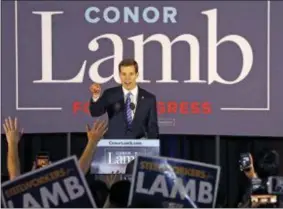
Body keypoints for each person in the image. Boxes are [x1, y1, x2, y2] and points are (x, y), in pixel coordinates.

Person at [89, 58, 159, 139]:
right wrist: (96, 95)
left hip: (139, 147)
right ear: (119, 75)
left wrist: (151, 149)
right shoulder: (110, 94)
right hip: (114, 146)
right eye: (124, 74)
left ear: (137, 75)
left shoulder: (149, 98)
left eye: (131, 74)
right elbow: (95, 112)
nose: (127, 78)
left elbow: (152, 128)